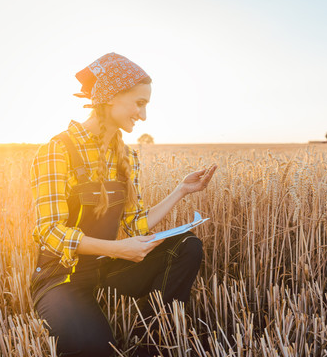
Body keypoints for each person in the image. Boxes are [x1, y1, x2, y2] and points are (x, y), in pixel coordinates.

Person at [30, 52, 217, 357]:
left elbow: (133, 222)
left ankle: (152, 344)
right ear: (110, 98)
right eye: (139, 103)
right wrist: (118, 249)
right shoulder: (57, 149)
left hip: (105, 267)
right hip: (61, 276)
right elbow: (49, 231)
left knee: (186, 246)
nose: (142, 116)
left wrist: (181, 191)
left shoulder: (126, 156)